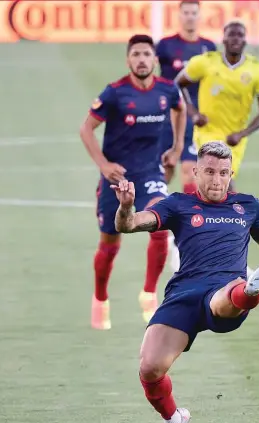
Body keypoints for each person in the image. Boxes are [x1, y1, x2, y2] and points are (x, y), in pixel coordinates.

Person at [112, 140, 259, 423]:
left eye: (223, 173)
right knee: (150, 368)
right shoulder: (177, 205)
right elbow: (129, 225)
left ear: (231, 173)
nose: (216, 180)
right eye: (210, 172)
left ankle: (252, 289)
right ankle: (174, 422)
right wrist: (126, 205)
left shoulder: (248, 206)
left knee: (228, 295)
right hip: (183, 294)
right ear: (196, 171)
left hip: (225, 290)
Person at [79, 34, 186, 329]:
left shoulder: (167, 90)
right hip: (116, 179)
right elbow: (86, 129)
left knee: (160, 227)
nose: (141, 59)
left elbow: (181, 108)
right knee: (110, 245)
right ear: (128, 60)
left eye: (146, 54)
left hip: (150, 174)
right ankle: (100, 297)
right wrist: (104, 165)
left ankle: (149, 294)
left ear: (154, 59)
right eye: (136, 54)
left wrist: (176, 148)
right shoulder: (115, 93)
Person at [175, 20, 259, 192]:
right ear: (224, 40)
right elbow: (177, 85)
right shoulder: (205, 62)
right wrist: (194, 113)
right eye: (231, 35)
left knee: (220, 185)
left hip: (235, 138)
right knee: (221, 181)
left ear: (245, 41)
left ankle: (216, 217)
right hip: (208, 132)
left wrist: (243, 133)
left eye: (240, 35)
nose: (235, 39)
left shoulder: (257, 69)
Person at [156, 0, 217, 194]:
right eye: (186, 13)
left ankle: (188, 220)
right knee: (166, 169)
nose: (190, 17)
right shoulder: (165, 46)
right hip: (168, 117)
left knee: (190, 171)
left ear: (199, 16)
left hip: (195, 118)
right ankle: (155, 208)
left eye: (193, 13)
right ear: (179, 15)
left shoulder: (209, 47)